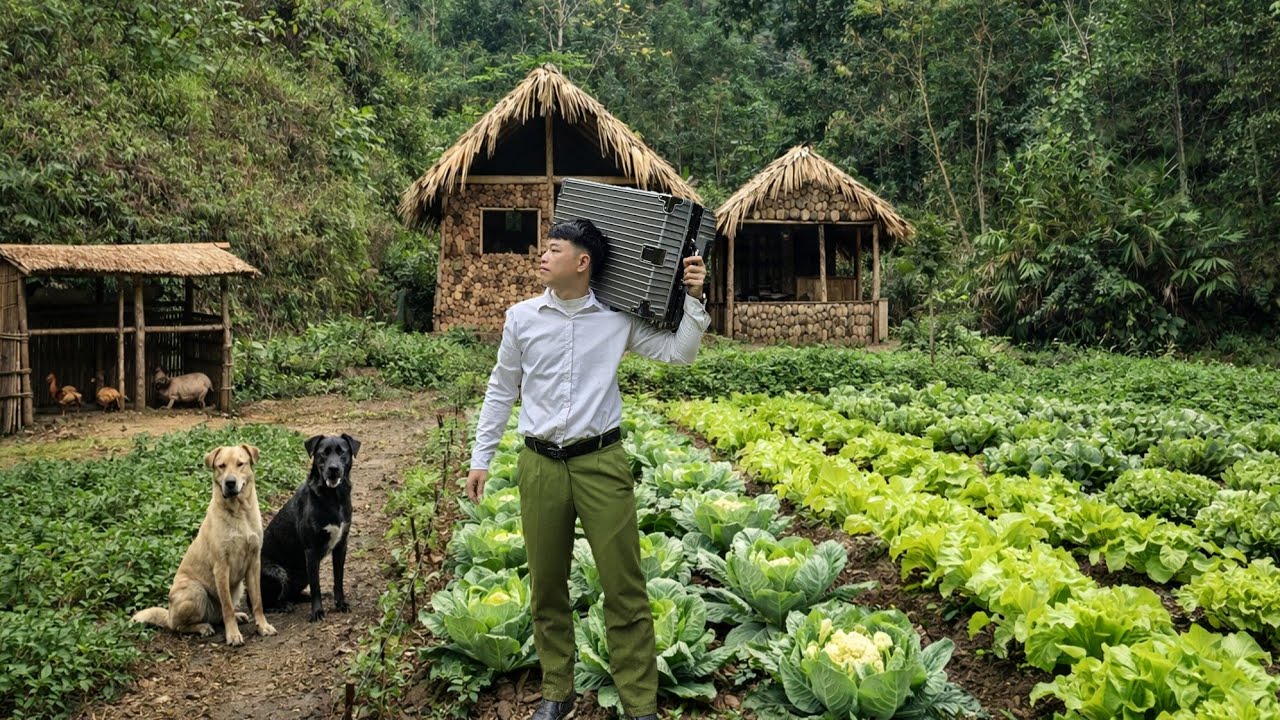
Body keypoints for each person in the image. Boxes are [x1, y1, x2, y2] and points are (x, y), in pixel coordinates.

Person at [465, 217, 709, 720]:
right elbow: (501, 389)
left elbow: (679, 353)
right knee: (546, 586)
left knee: (624, 586)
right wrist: (480, 457)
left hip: (602, 463)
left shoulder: (617, 319)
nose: (542, 255)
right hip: (539, 464)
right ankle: (557, 690)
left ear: (582, 262)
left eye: (554, 249)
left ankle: (639, 702)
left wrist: (694, 298)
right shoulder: (521, 318)